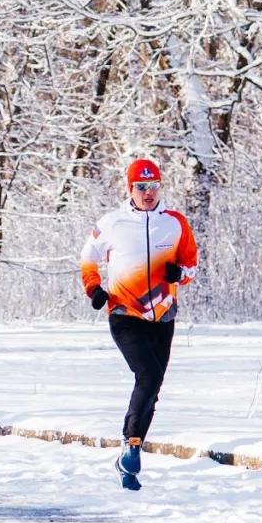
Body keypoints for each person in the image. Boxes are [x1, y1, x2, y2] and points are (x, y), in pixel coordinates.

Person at [79, 159, 198, 490]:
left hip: (163, 315)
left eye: (154, 186)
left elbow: (191, 264)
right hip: (124, 313)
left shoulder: (175, 224)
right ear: (129, 189)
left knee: (153, 384)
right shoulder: (111, 223)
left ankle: (131, 451)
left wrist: (181, 275)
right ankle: (131, 444)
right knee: (146, 375)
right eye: (141, 187)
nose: (148, 193)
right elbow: (87, 259)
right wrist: (94, 288)